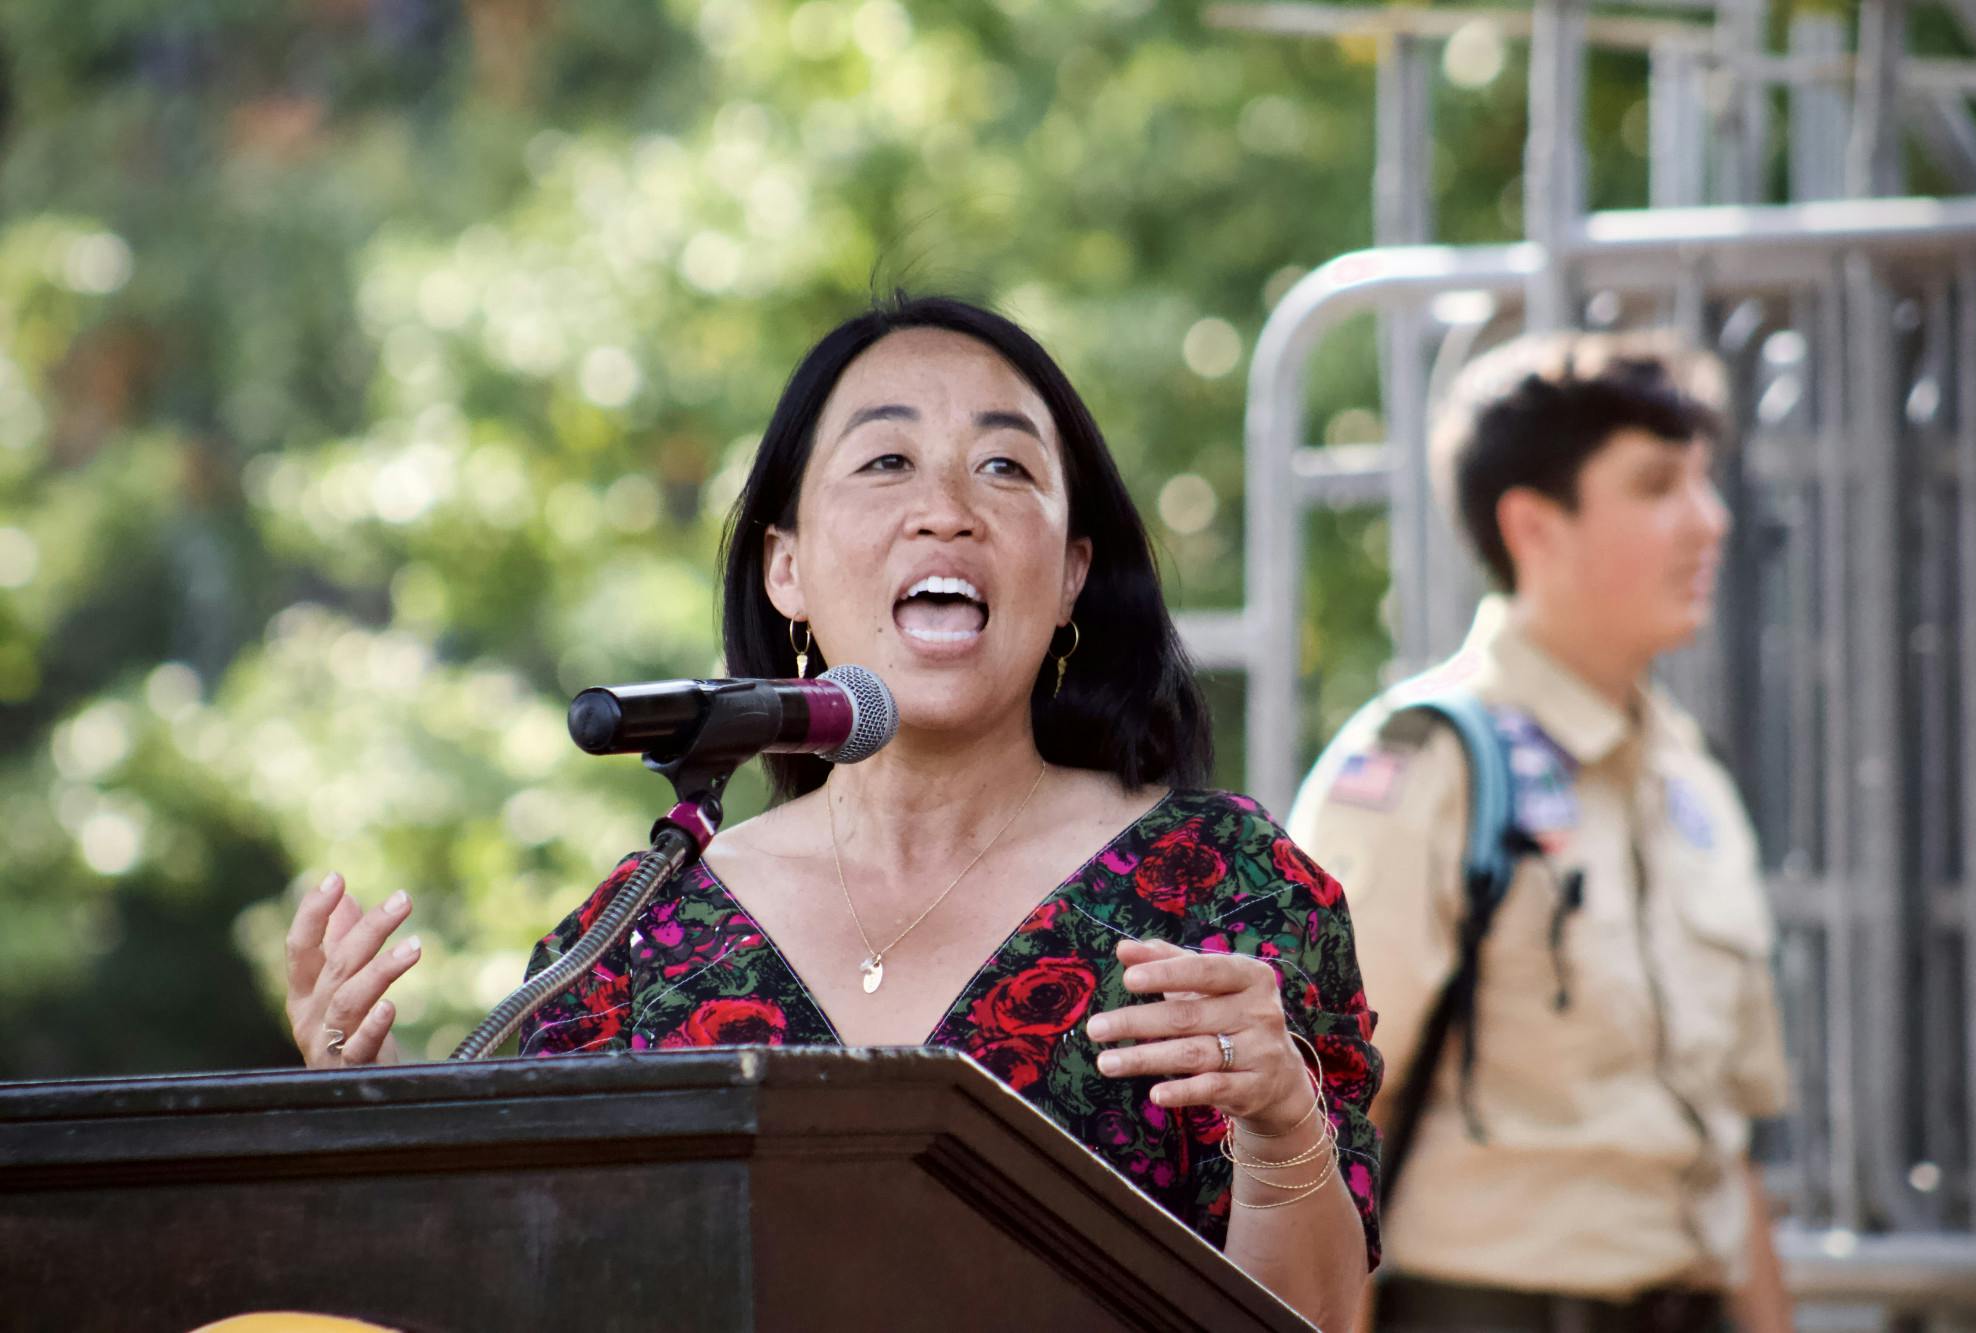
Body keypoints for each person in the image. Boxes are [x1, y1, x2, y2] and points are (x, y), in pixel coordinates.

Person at [282, 294, 1382, 1327]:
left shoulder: (1221, 890)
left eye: (1004, 466)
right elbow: (513, 1286)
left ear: (1071, 577)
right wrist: (367, 1133)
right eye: (886, 461)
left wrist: (1282, 1131)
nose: (945, 512)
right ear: (786, 570)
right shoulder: (643, 935)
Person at [1288, 331, 1794, 1333]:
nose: (1709, 520)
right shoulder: (1421, 763)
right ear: (1532, 525)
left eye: (1702, 481)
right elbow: (1324, 1121)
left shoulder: (1686, 774)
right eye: (1656, 486)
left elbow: (1725, 1151)